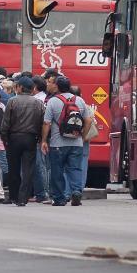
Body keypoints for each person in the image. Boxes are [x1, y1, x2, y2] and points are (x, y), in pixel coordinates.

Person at [42, 76, 90, 207]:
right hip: (76, 142)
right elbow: (89, 120)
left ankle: (59, 198)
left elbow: (46, 123)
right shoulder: (79, 100)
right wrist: (83, 135)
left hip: (58, 143)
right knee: (75, 168)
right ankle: (76, 191)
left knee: (57, 170)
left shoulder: (53, 101)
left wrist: (44, 140)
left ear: (57, 86)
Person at [0, 76, 44, 206]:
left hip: (14, 138)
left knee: (13, 168)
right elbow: (42, 123)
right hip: (31, 138)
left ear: (20, 87)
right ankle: (23, 197)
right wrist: (40, 138)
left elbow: (5, 123)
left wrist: (5, 138)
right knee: (28, 169)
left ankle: (13, 196)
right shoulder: (38, 103)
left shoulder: (12, 101)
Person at [30, 75, 50, 203]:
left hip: (39, 136)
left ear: (35, 87)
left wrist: (42, 139)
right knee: (43, 165)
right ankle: (41, 192)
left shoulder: (38, 100)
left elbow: (42, 121)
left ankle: (42, 193)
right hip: (44, 136)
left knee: (40, 165)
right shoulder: (45, 98)